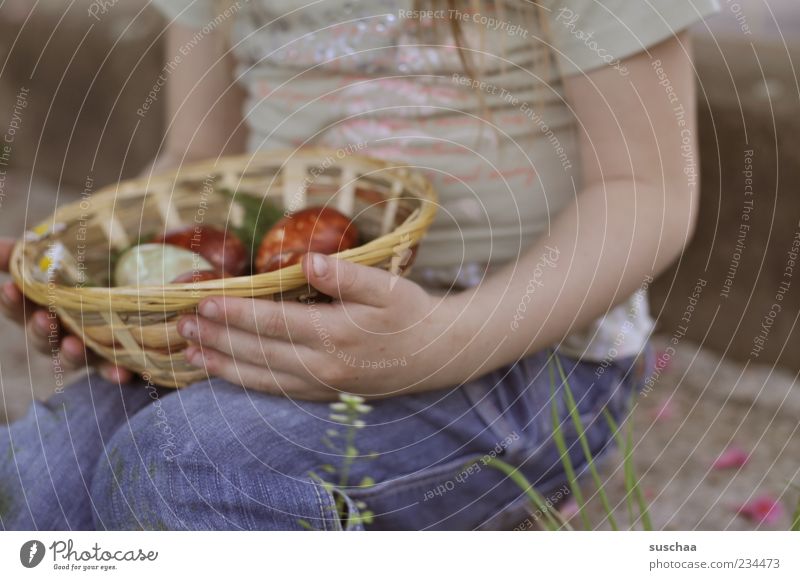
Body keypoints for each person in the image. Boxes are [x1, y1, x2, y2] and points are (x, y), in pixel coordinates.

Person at [0, 0, 718, 530]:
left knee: (188, 464)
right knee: (37, 475)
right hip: (297, 322)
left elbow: (648, 191)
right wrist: (126, 302)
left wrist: (440, 341)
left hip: (531, 349)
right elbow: (203, 162)